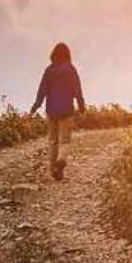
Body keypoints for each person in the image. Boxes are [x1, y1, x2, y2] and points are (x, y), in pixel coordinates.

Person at [29, 41, 86, 180]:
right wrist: (81, 105)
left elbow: (42, 90)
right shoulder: (71, 69)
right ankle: (61, 160)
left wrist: (35, 106)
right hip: (66, 109)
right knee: (65, 140)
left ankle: (54, 170)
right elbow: (77, 89)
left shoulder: (49, 70)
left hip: (51, 110)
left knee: (53, 141)